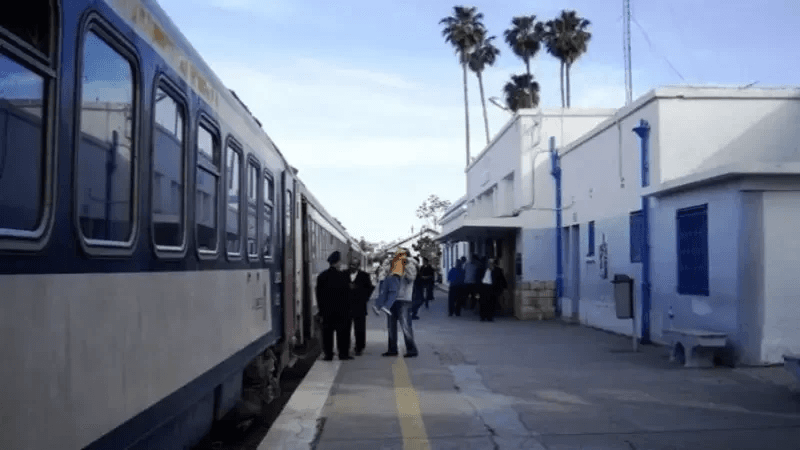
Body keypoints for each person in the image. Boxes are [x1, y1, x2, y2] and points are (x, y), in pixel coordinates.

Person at [382, 248, 419, 358]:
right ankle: (392, 349)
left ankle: (411, 350)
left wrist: (403, 269)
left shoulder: (410, 265)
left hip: (404, 300)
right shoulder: (393, 265)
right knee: (391, 326)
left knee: (406, 326)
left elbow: (411, 278)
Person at [316, 251, 353, 361]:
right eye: (340, 262)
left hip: (327, 311)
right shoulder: (344, 276)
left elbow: (319, 295)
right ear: (337, 263)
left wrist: (321, 310)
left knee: (327, 334)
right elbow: (348, 294)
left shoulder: (322, 276)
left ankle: (328, 354)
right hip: (342, 311)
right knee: (343, 333)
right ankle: (343, 354)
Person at [345, 256, 375, 356]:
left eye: (354, 265)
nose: (352, 267)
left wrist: (361, 295)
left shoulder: (364, 276)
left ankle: (359, 347)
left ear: (358, 266)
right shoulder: (343, 274)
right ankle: (345, 347)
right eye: (351, 265)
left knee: (360, 328)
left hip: (359, 306)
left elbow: (369, 289)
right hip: (346, 306)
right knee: (345, 328)